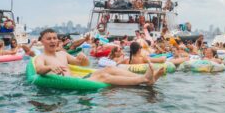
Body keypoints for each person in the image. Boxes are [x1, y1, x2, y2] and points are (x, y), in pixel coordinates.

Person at [34, 29, 165, 86]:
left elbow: (82, 64)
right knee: (104, 77)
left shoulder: (63, 54)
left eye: (54, 38)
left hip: (76, 80)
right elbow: (39, 69)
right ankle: (144, 79)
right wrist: (50, 67)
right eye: (49, 39)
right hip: (68, 84)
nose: (52, 41)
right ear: (42, 41)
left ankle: (147, 79)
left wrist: (83, 59)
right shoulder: (41, 57)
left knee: (108, 69)